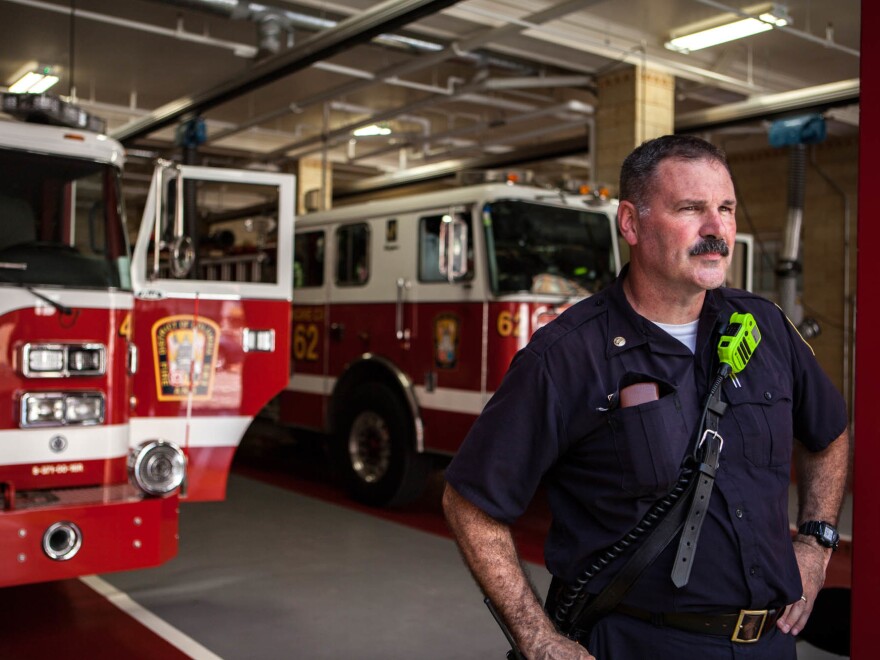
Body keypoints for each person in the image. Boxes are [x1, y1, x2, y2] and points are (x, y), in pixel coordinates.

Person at [442, 135, 849, 659]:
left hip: (767, 645)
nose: (716, 230)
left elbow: (830, 432)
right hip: (638, 643)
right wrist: (537, 637)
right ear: (630, 223)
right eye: (690, 209)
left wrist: (816, 541)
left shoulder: (763, 325)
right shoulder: (568, 356)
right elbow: (470, 502)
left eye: (724, 209)